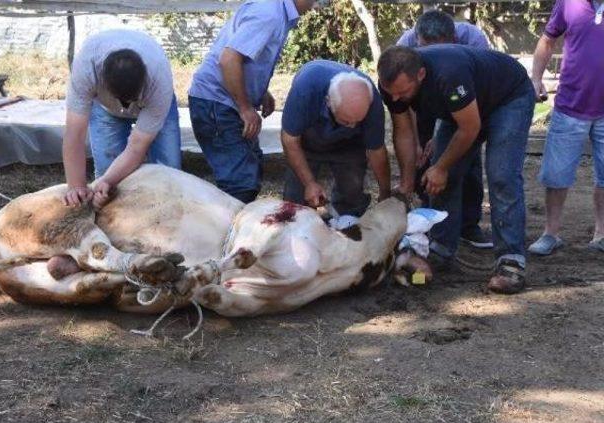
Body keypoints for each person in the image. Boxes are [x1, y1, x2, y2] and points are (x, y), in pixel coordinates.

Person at [378, 45, 535, 294]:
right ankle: (441, 247)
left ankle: (511, 260)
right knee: (438, 180)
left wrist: (440, 166)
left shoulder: (449, 73)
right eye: (391, 94)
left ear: (420, 75)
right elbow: (405, 133)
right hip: (462, 110)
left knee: (501, 176)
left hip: (507, 98)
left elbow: (471, 128)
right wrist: (407, 182)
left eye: (403, 92)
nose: (396, 99)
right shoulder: (391, 87)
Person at [188, 0, 318, 203]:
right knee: (240, 184)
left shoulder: (274, 10)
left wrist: (261, 91)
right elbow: (228, 59)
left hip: (221, 99)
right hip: (217, 102)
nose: (315, 4)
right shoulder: (270, 13)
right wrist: (245, 107)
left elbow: (246, 57)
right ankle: (223, 232)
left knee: (250, 169)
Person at [397, 10, 492, 248]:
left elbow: (471, 101)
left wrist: (441, 137)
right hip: (423, 102)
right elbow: (403, 106)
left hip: (465, 101)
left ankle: (469, 225)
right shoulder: (405, 45)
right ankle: (430, 219)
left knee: (463, 160)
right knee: (422, 162)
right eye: (425, 48)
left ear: (453, 40)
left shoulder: (474, 40)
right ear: (417, 39)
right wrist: (419, 141)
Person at [63, 29, 181, 209]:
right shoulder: (86, 69)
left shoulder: (158, 82)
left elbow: (136, 147)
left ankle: (163, 216)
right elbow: (74, 135)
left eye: (131, 100)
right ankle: (116, 221)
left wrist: (108, 180)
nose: (126, 107)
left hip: (153, 103)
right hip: (106, 109)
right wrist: (76, 186)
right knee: (105, 174)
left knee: (170, 172)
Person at [527, 0, 604, 255]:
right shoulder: (568, 3)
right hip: (571, 104)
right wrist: (536, 78)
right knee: (557, 174)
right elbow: (547, 40)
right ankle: (551, 234)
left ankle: (601, 234)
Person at [281, 60, 391, 216]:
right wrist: (310, 183)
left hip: (349, 144)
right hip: (308, 140)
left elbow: (377, 151)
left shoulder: (372, 102)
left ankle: (345, 226)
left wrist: (385, 193)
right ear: (328, 102)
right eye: (346, 121)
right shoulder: (306, 90)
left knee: (352, 194)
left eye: (358, 121)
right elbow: (290, 140)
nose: (353, 126)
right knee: (295, 203)